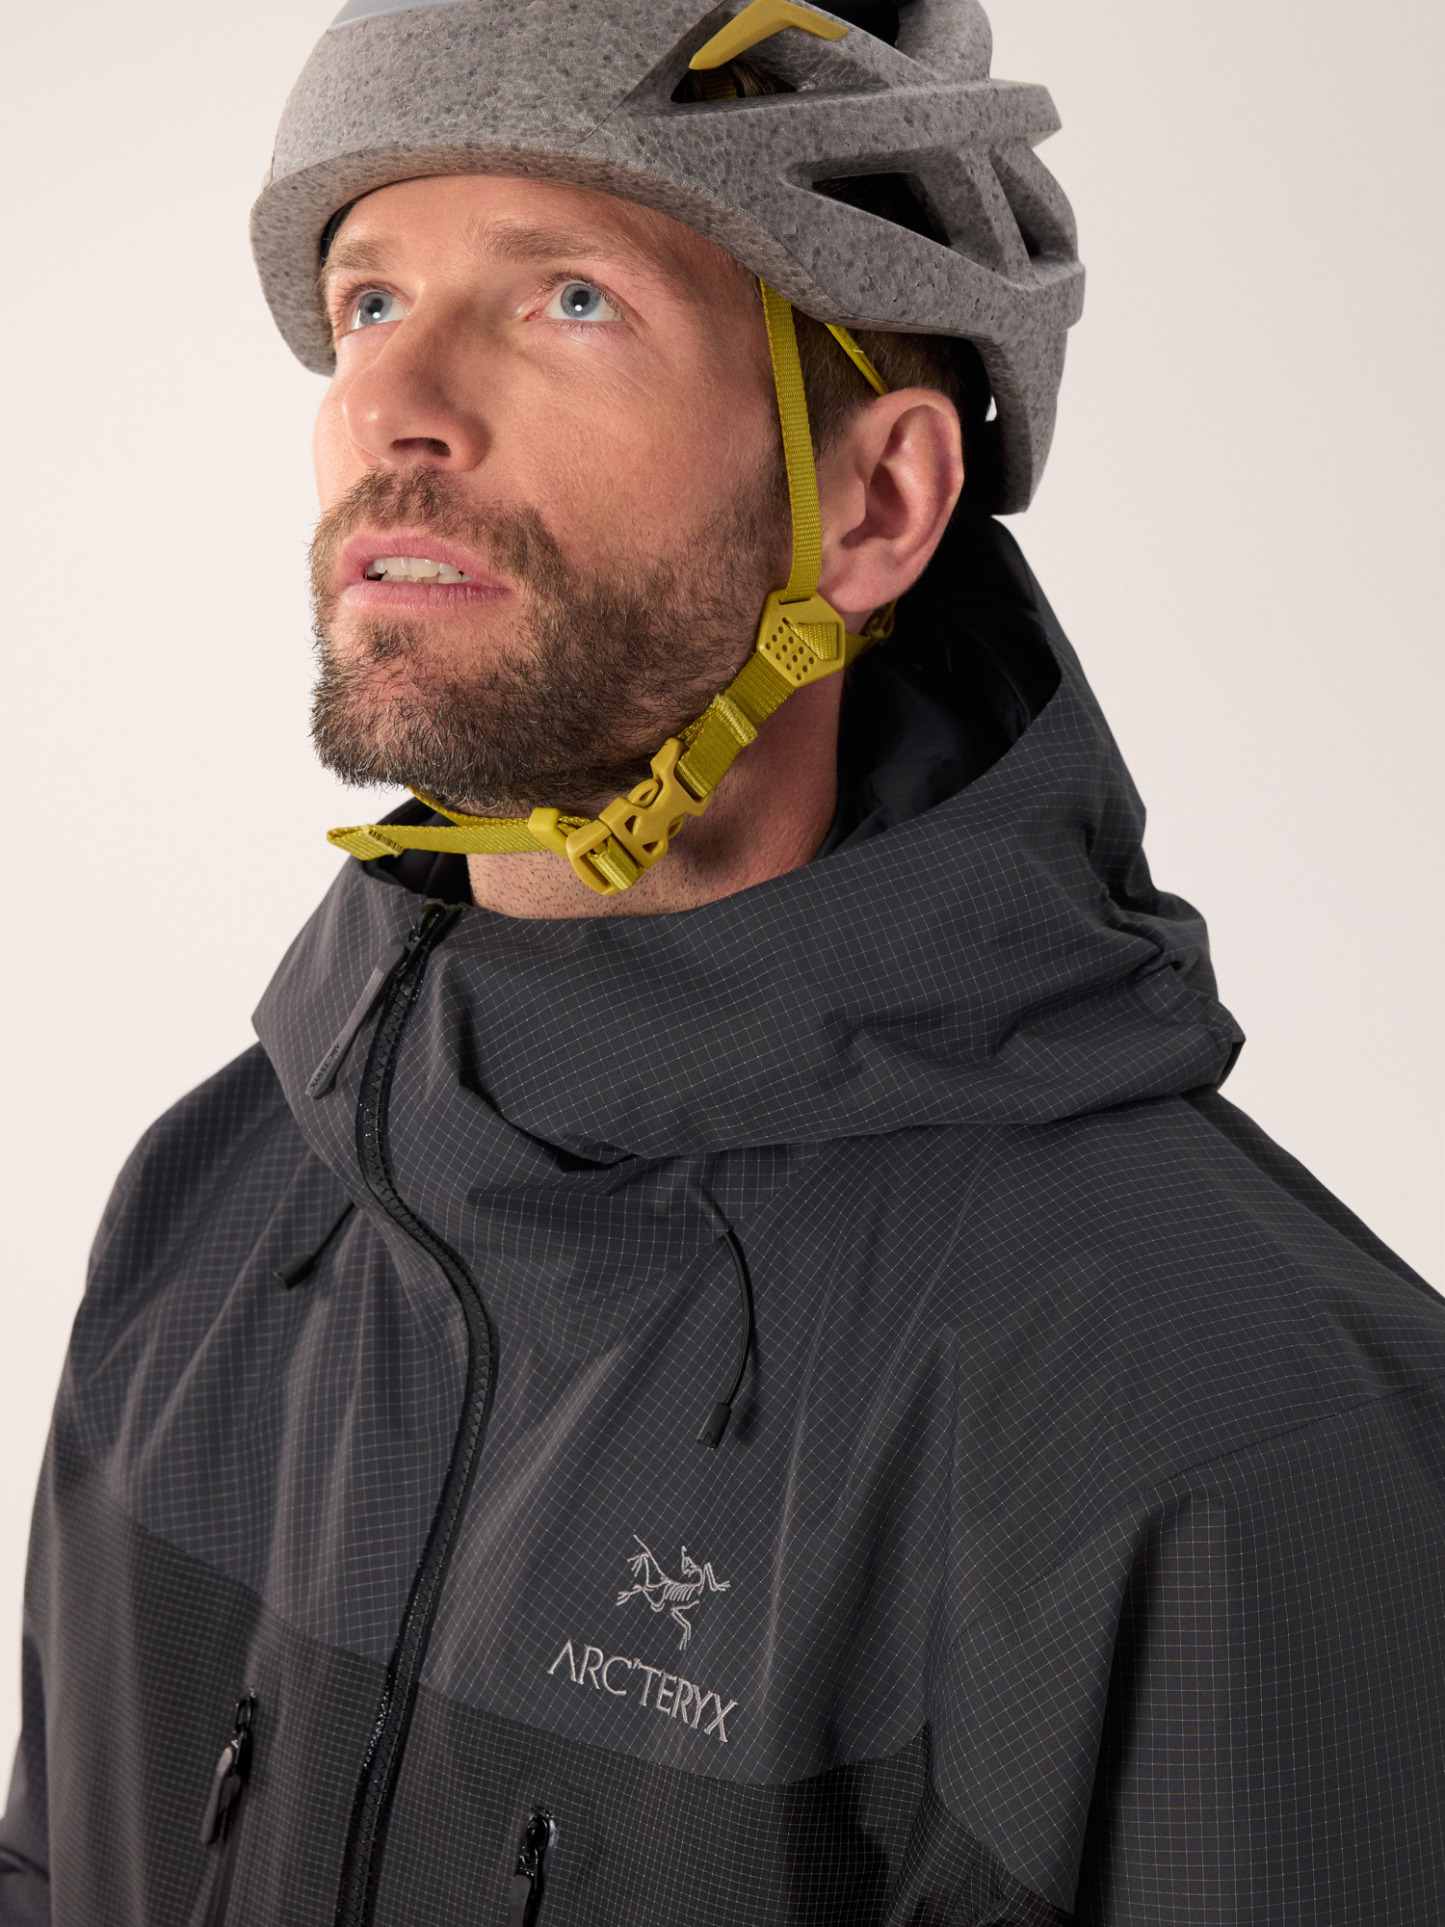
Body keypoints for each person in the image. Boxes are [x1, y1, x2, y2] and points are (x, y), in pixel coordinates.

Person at [3, 0, 1442, 1921]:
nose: (398, 404)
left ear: (876, 503)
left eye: (569, 299)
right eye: (368, 301)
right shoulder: (217, 1206)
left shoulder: (1219, 1434)